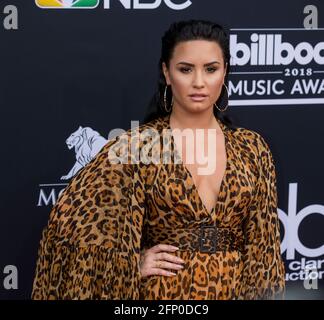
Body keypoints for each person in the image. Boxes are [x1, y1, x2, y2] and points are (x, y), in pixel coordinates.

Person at [32, 19, 286, 300]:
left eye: (211, 69)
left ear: (225, 71)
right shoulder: (139, 146)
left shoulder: (251, 148)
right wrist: (127, 266)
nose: (199, 82)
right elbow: (72, 234)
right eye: (185, 69)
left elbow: (265, 249)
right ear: (167, 72)